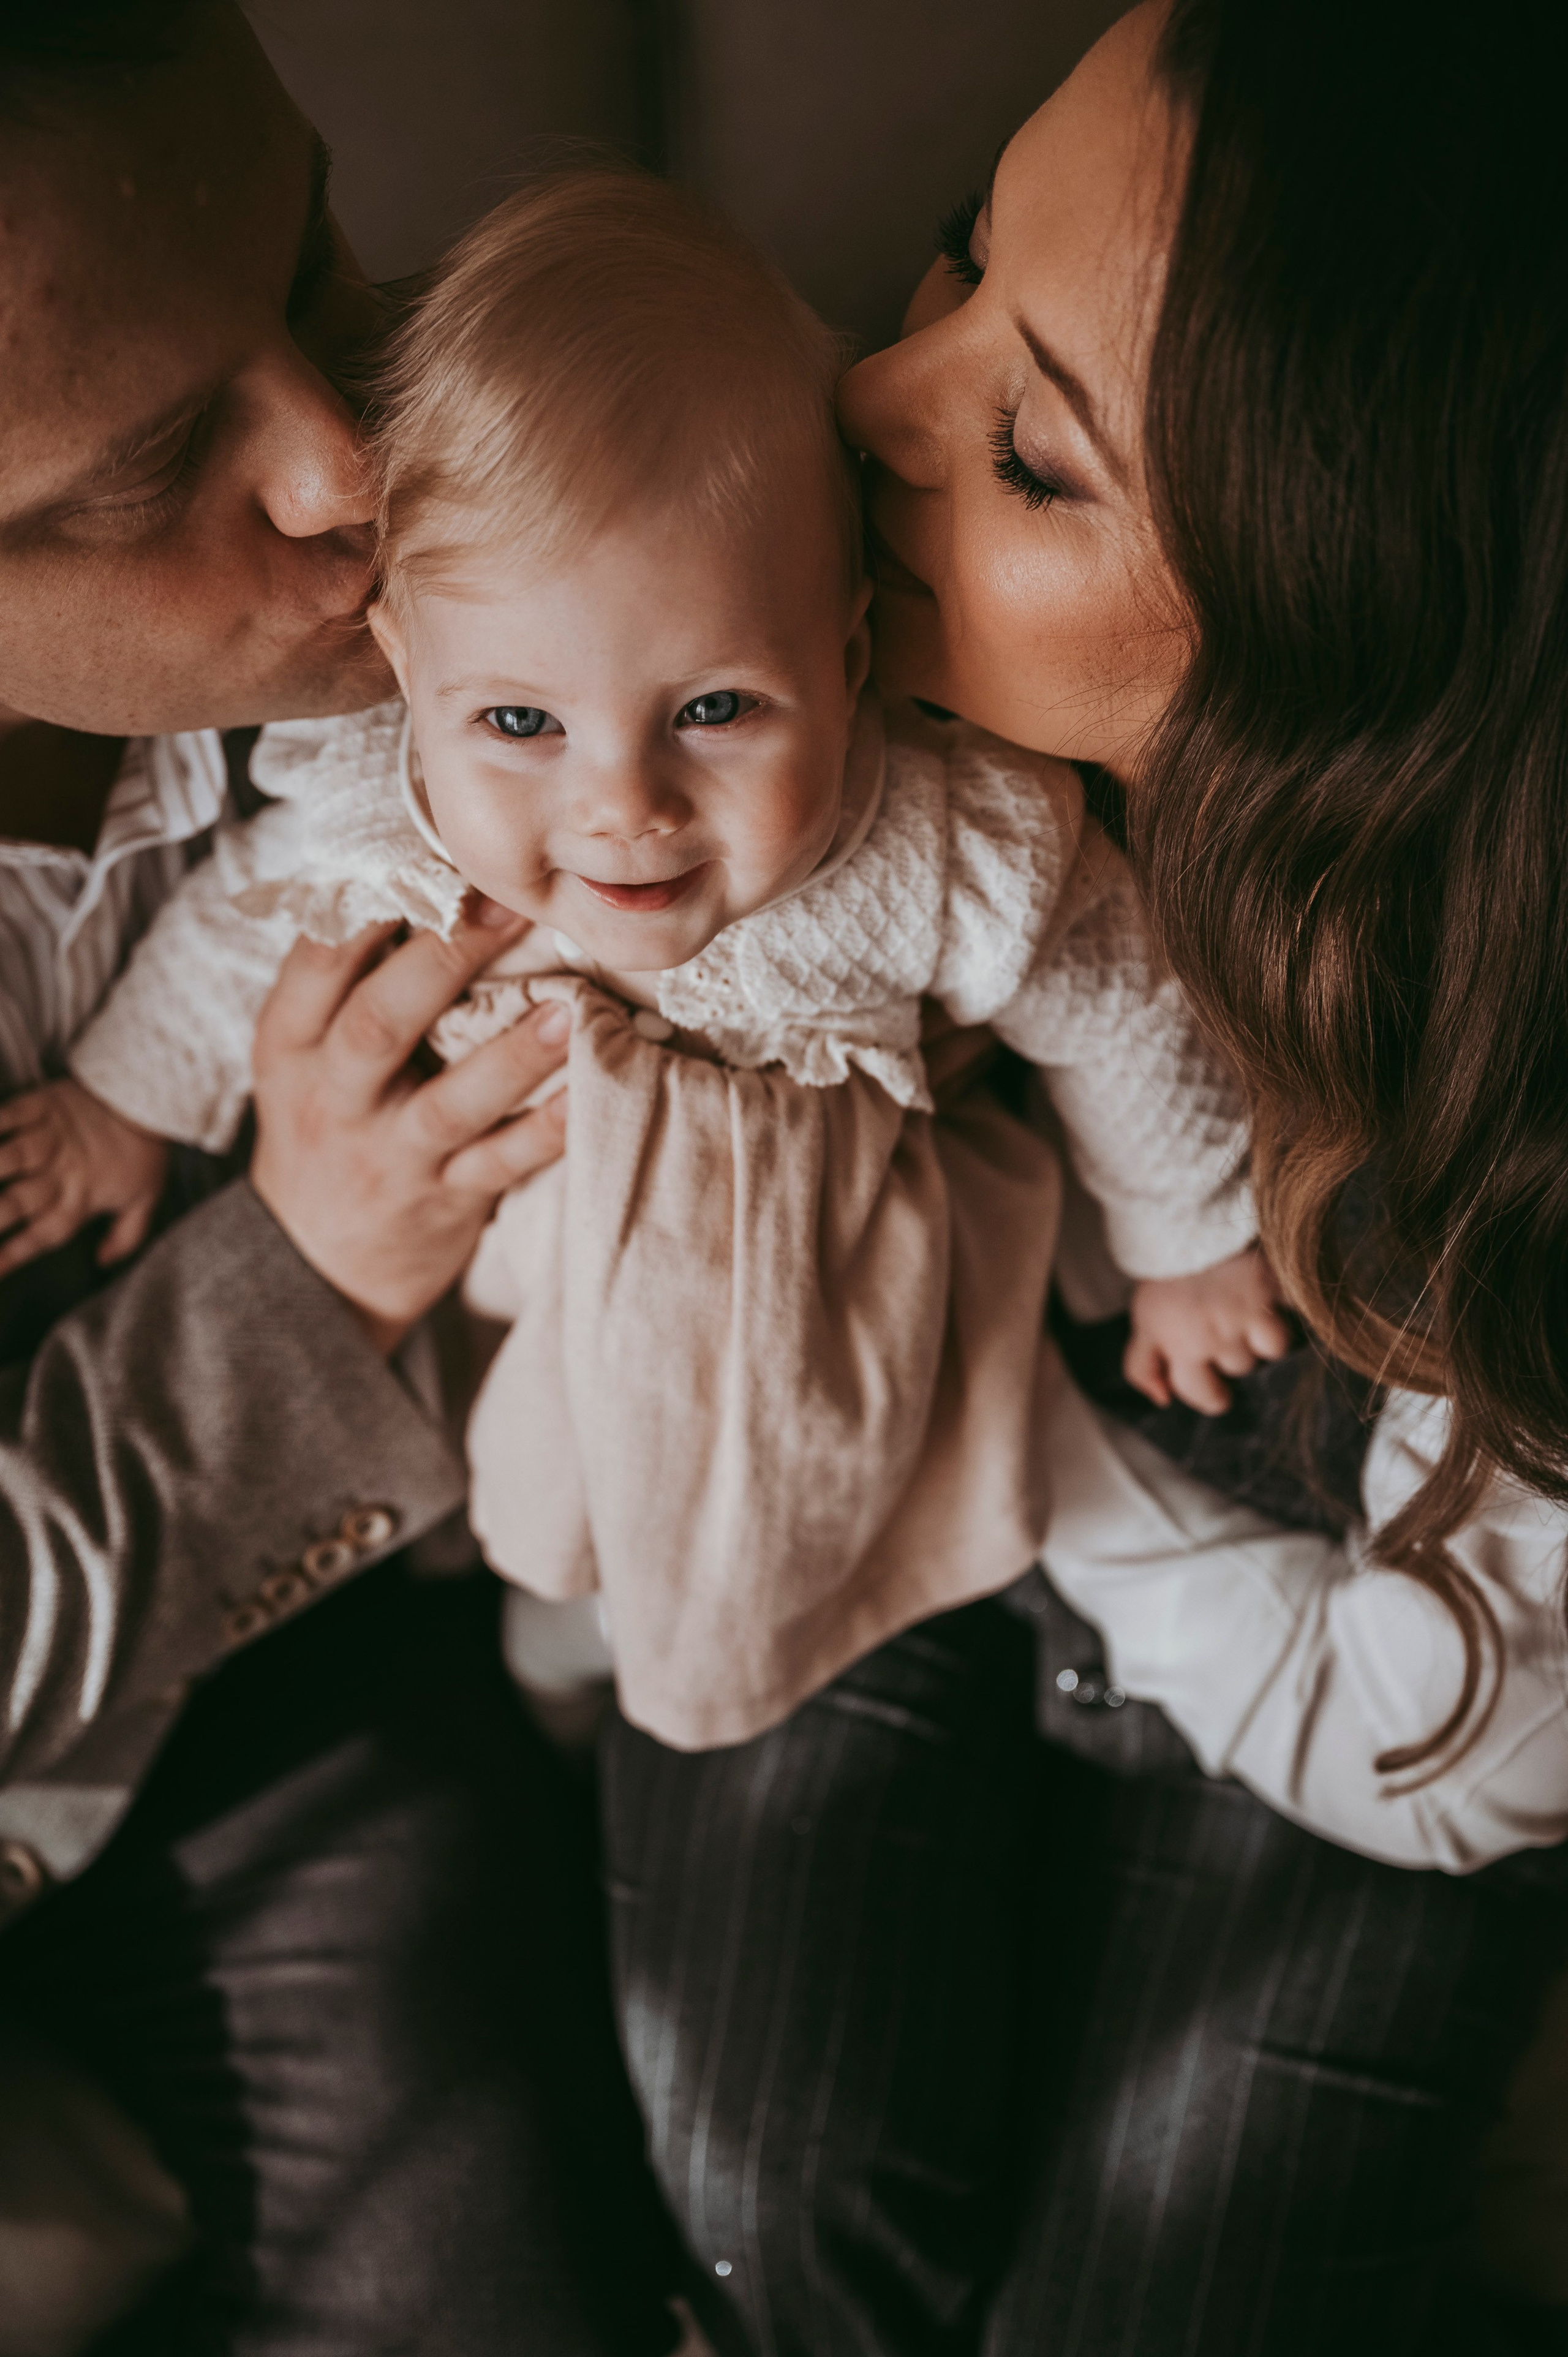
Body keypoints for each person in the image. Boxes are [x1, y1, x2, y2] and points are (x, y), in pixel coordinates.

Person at [594, 2, 1568, 2351]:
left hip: (1337, 1602)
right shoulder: (777, 629)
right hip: (898, 1407)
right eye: (954, 258)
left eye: (1029, 448)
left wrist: (1016, 1457)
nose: (865, 394)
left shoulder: (1511, 1145)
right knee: (766, 2202)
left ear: (1351, 654)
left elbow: (1439, 1758)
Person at [26, 166, 1283, 1753]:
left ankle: (833, 1628)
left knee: (827, 1499)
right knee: (549, 1504)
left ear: (842, 651)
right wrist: (127, 1101)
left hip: (810, 1312)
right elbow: (237, 931)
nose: (621, 810)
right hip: (530, 1324)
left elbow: (1115, 993)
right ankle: (568, 1612)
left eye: (715, 710)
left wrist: (1186, 1238)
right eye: (520, 724)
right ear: (410, 675)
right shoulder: (384, 811)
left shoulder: (926, 849)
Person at [0, 6, 678, 2350]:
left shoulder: (471, 568)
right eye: (158, 459)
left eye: (317, 260)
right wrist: (307, 1276)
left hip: (297, 1662)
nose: (345, 469)